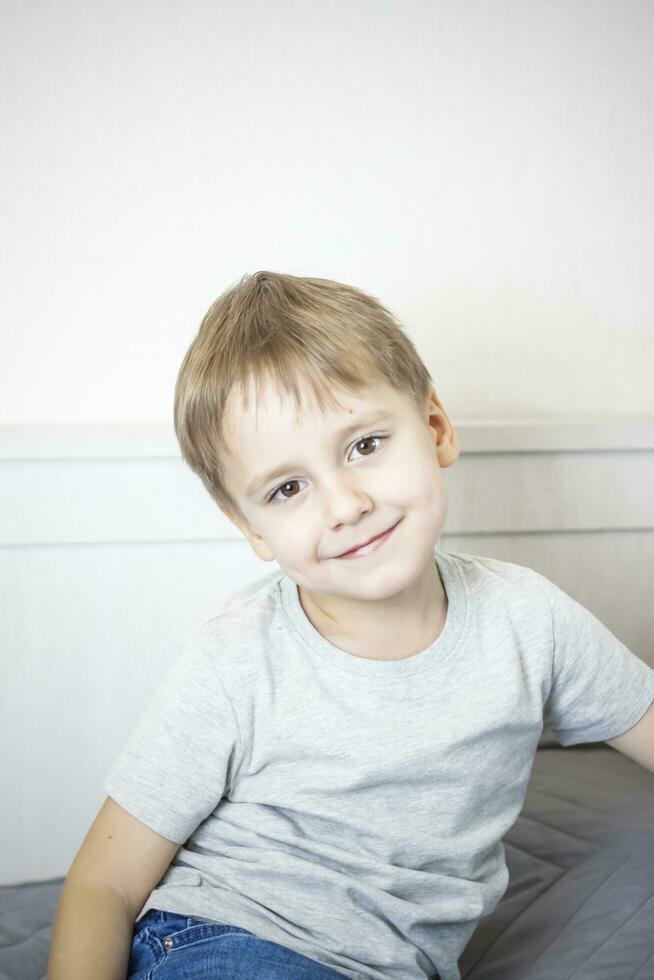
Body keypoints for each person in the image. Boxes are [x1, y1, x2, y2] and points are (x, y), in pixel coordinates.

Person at [47, 271, 654, 980]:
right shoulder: (237, 655)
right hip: (230, 940)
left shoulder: (530, 620)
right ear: (252, 528)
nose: (344, 505)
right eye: (288, 488)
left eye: (364, 446)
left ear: (436, 429)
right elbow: (105, 882)